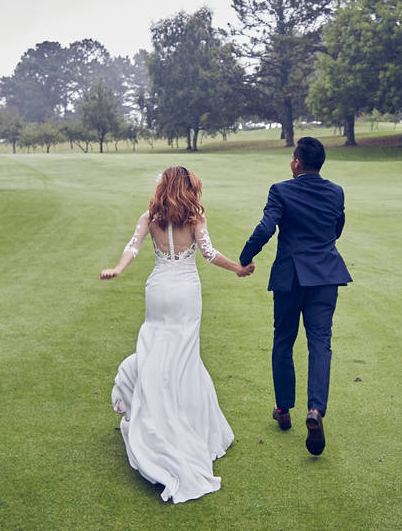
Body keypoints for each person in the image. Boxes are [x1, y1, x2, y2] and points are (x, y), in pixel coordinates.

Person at [102, 166, 254, 503]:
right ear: (189, 188)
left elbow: (132, 248)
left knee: (156, 350)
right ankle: (179, 421)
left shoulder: (150, 217)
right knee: (183, 357)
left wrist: (117, 269)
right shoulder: (195, 217)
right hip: (186, 290)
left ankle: (150, 408)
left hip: (157, 289)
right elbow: (209, 254)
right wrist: (239, 268)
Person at [239, 137, 352, 455]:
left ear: (297, 163)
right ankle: (315, 411)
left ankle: (283, 409)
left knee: (283, 341)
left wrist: (245, 257)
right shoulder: (335, 191)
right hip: (325, 276)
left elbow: (266, 228)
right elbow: (337, 227)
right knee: (320, 345)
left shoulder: (281, 190)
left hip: (290, 277)